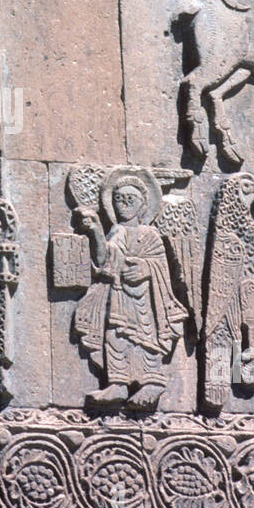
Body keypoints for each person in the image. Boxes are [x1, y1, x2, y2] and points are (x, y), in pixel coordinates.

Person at [74, 172, 189, 411]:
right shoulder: (116, 231)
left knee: (147, 341)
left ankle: (153, 383)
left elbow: (161, 267)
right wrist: (95, 230)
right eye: (118, 199)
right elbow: (106, 260)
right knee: (115, 336)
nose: (124, 204)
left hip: (147, 301)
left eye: (130, 199)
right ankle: (118, 383)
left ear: (144, 205)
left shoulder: (151, 235)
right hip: (117, 296)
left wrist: (146, 268)